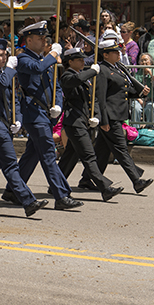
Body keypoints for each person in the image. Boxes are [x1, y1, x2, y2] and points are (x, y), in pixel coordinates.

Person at [0, 38, 48, 217]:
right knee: (10, 165)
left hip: (5, 125)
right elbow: (0, 83)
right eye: (0, 55)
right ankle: (28, 201)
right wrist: (10, 69)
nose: (4, 57)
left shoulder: (6, 74)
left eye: (6, 54)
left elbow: (14, 99)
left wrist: (18, 120)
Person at [12, 22, 82, 210]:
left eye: (45, 37)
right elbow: (37, 69)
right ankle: (61, 195)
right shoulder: (25, 59)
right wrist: (53, 54)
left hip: (46, 113)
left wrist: (58, 105)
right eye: (40, 38)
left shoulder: (45, 59)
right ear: (28, 40)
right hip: (33, 113)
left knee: (32, 154)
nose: (45, 41)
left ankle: (12, 190)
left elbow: (56, 86)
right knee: (49, 154)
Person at [56, 48, 123, 202]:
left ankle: (56, 185)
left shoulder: (82, 76)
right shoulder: (67, 76)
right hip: (74, 122)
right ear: (70, 62)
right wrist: (92, 72)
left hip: (82, 120)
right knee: (89, 156)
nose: (82, 62)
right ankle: (105, 188)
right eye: (79, 60)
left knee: (69, 157)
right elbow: (75, 81)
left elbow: (91, 100)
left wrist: (95, 117)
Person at [88, 40, 154, 194]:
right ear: (105, 55)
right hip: (110, 117)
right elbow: (100, 97)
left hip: (117, 114)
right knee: (121, 149)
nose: (119, 54)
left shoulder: (116, 68)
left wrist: (139, 93)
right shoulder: (102, 70)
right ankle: (136, 181)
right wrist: (103, 120)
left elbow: (123, 90)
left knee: (102, 152)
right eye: (115, 52)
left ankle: (86, 179)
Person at [132, 53, 154, 128]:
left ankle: (149, 128)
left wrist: (151, 75)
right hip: (139, 99)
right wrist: (140, 100)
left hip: (151, 99)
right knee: (135, 108)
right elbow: (133, 89)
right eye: (142, 60)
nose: (144, 62)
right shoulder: (136, 74)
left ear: (151, 62)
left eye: (146, 60)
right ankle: (135, 129)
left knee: (150, 107)